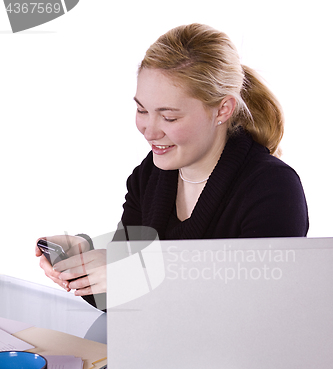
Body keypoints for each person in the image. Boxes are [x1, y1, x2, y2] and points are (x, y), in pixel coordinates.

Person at [35, 23, 309, 307]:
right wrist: (84, 261)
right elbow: (123, 299)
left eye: (169, 117)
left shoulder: (273, 188)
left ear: (222, 110)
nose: (149, 131)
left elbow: (257, 303)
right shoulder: (150, 175)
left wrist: (133, 276)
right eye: (142, 110)